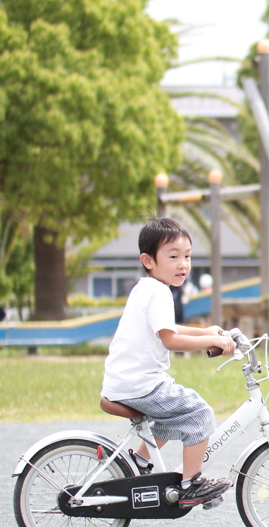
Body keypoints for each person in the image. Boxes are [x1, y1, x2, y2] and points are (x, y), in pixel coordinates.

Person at [101, 217, 236, 508]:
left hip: (127, 380)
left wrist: (206, 332)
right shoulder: (159, 292)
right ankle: (191, 483)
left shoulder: (146, 287)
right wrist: (214, 342)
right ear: (148, 260)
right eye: (173, 256)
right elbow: (170, 340)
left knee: (173, 413)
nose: (182, 264)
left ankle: (139, 460)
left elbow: (167, 329)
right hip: (140, 384)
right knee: (199, 413)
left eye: (187, 256)